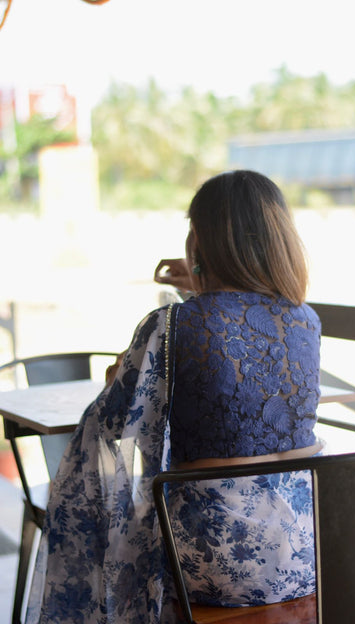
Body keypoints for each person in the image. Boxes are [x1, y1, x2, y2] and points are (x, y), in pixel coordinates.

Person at [26, 170, 321, 624]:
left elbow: (116, 414)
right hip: (310, 550)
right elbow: (233, 343)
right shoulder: (306, 320)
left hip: (219, 565)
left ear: (199, 240)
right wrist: (200, 284)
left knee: (115, 528)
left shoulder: (172, 324)